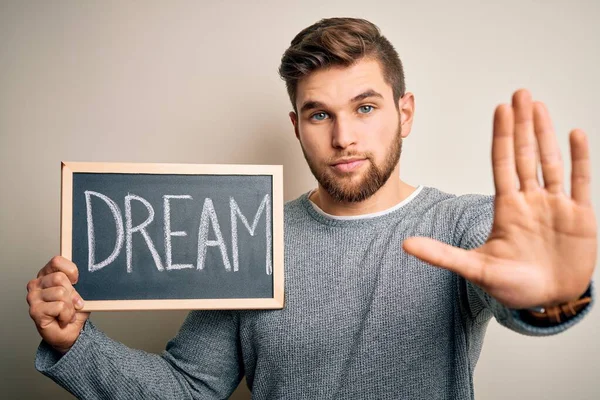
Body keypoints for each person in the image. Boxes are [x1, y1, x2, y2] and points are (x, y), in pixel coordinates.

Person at [27, 17, 595, 399]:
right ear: (297, 126)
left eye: (366, 107)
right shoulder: (249, 238)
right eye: (320, 114)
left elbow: (514, 276)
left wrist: (553, 298)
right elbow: (190, 387)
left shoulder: (461, 224)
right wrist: (74, 343)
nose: (344, 136)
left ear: (406, 113)